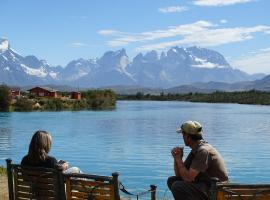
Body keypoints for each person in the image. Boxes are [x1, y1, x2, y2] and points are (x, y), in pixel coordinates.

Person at [167, 120, 228, 200]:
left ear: (187, 137)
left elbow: (188, 178)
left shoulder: (203, 151)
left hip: (217, 190)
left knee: (177, 186)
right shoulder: (195, 150)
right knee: (172, 180)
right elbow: (180, 175)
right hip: (206, 186)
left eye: (183, 134)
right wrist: (176, 158)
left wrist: (179, 159)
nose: (182, 137)